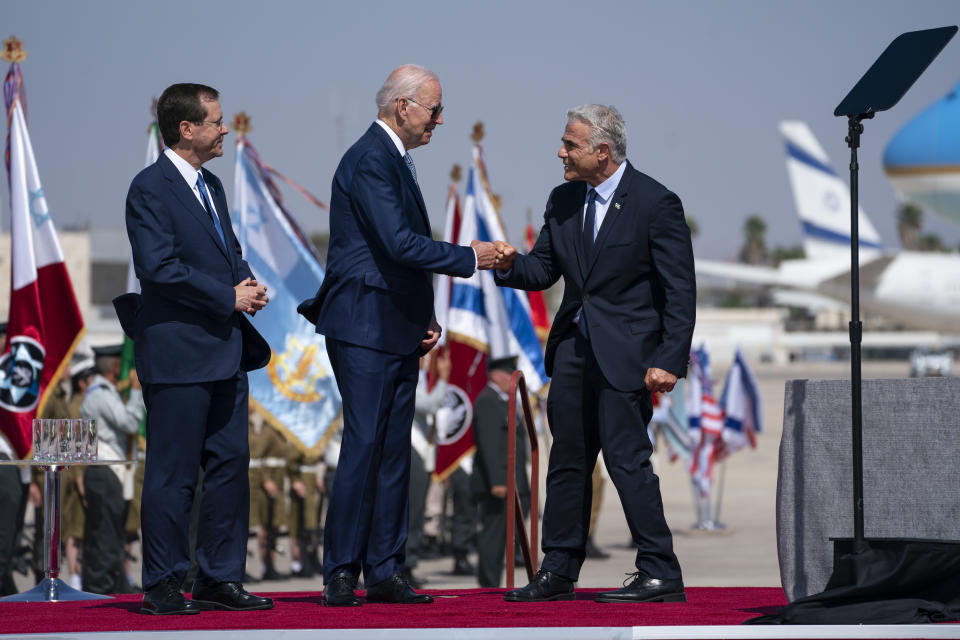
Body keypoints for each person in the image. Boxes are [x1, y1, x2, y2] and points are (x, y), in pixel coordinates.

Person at [297, 64, 504, 607]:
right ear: (402, 106)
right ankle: (341, 571)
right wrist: (468, 257)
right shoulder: (370, 158)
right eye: (434, 109)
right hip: (364, 326)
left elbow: (399, 256)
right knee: (364, 448)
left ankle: (386, 570)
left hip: (395, 328)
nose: (440, 119)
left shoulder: (395, 160)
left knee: (393, 453)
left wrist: (423, 316)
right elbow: (398, 245)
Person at [495, 104, 696, 603]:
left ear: (602, 152)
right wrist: (505, 263)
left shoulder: (656, 202)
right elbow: (543, 270)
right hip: (572, 354)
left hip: (627, 358)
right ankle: (559, 570)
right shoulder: (563, 200)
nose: (560, 152)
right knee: (567, 462)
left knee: (628, 463)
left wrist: (670, 358)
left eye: (570, 144)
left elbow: (680, 291)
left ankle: (660, 571)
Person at [120, 82, 273, 615]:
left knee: (230, 466)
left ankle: (218, 578)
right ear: (187, 128)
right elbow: (158, 268)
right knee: (174, 473)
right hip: (178, 355)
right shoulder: (149, 188)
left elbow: (227, 251)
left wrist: (248, 284)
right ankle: (163, 582)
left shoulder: (212, 186)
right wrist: (225, 296)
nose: (225, 129)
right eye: (216, 120)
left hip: (225, 352)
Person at [80, 344, 144, 595]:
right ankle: (101, 586)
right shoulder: (101, 393)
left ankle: (112, 584)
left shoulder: (103, 391)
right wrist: (137, 393)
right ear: (116, 367)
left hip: (108, 471)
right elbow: (129, 422)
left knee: (111, 533)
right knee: (105, 537)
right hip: (105, 470)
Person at [471, 356, 530, 588]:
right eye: (508, 374)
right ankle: (489, 583)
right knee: (493, 535)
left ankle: (494, 580)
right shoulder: (487, 400)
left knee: (506, 534)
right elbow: (489, 444)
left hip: (513, 481)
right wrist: (497, 480)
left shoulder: (504, 400)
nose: (511, 379)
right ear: (496, 375)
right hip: (497, 482)